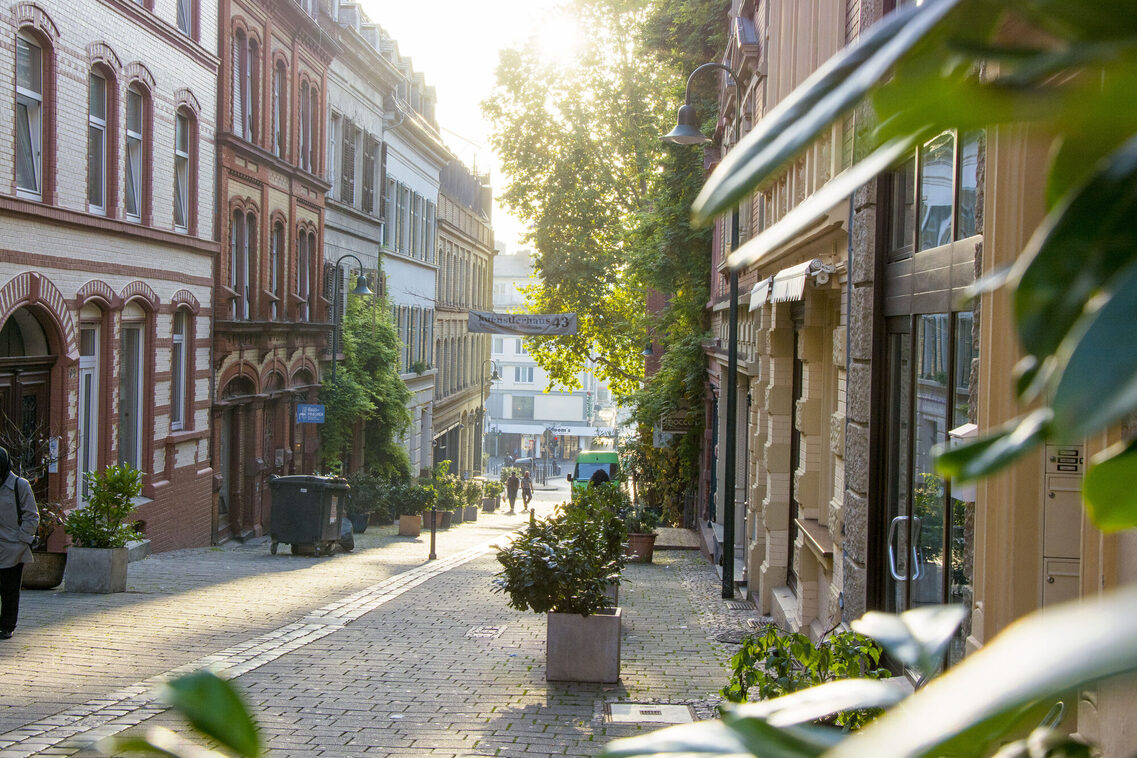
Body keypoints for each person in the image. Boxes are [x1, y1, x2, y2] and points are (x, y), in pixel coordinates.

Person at [0, 446, 38, 640]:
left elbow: (32, 516)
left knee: (9, 589)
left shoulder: (19, 485)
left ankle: (7, 625)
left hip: (12, 548)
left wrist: (22, 541)